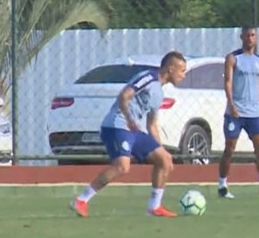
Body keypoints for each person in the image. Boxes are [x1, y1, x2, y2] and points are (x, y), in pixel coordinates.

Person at [69, 51, 187, 218]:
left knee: (165, 160)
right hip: (117, 125)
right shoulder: (148, 78)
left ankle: (154, 207)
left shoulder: (159, 93)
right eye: (182, 70)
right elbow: (124, 95)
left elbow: (151, 124)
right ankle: (81, 200)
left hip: (134, 130)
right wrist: (129, 118)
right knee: (122, 167)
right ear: (170, 68)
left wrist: (160, 149)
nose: (184, 75)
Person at [217, 26, 259, 199]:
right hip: (236, 113)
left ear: (256, 38)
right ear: (241, 37)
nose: (250, 38)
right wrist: (232, 105)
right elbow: (228, 83)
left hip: (254, 113)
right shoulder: (233, 58)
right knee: (229, 148)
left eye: (253, 35)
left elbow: (258, 88)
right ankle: (222, 185)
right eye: (247, 35)